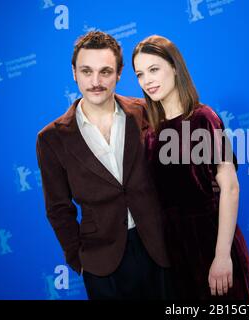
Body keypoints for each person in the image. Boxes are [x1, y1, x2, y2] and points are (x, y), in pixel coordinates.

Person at [36, 31, 174, 300]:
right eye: (86, 71)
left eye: (105, 72)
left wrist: (218, 169)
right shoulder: (51, 139)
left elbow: (182, 163)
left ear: (120, 73)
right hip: (102, 263)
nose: (96, 82)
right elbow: (58, 209)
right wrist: (81, 262)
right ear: (74, 72)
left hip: (161, 249)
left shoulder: (148, 111)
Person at [132, 35, 249, 300]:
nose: (147, 81)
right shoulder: (151, 135)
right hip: (174, 252)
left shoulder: (202, 119)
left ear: (175, 67)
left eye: (154, 69)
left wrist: (222, 255)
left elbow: (230, 187)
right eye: (140, 74)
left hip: (212, 240)